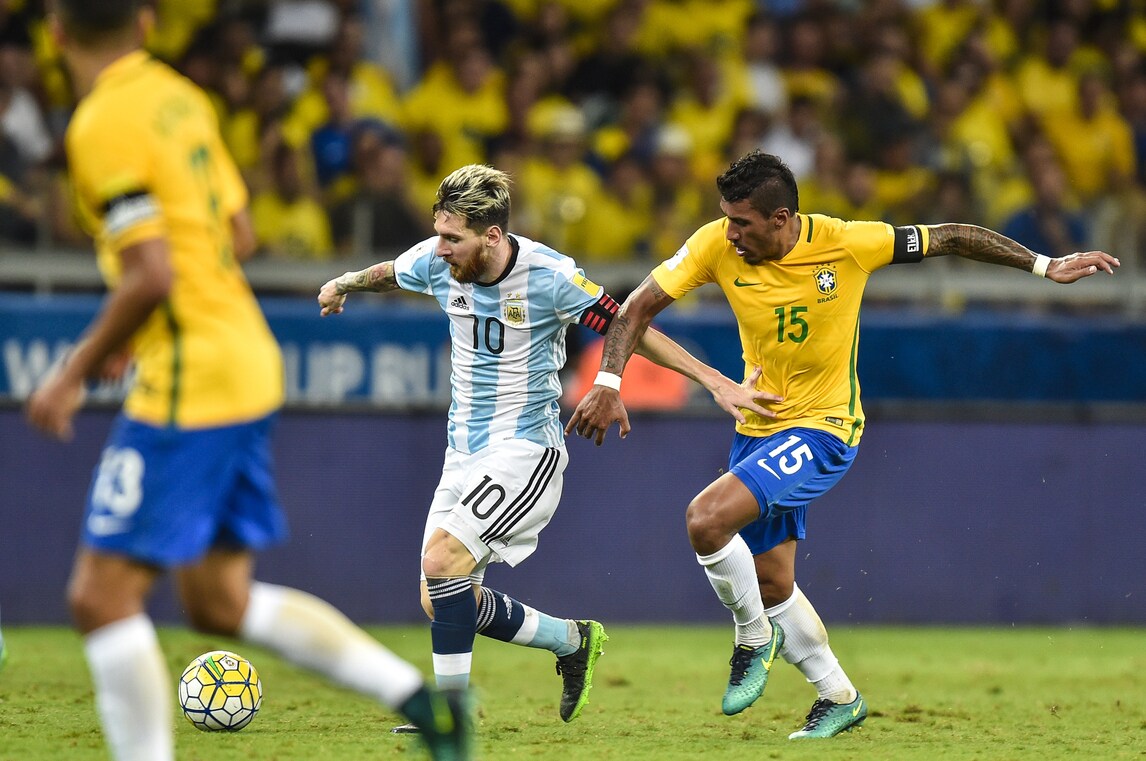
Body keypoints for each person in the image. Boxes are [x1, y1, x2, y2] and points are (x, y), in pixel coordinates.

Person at [23, 3, 469, 759]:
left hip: (191, 373)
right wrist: (145, 320)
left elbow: (150, 274)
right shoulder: (181, 98)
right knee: (218, 600)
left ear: (56, 32)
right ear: (147, 23)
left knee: (101, 597)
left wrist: (73, 373)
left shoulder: (99, 123)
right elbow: (240, 232)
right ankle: (426, 703)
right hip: (244, 355)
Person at [567, 150, 1119, 739]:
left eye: (742, 223)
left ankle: (752, 640)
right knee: (771, 584)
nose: (730, 233)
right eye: (726, 219)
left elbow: (952, 236)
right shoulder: (713, 244)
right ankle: (838, 696)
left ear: (781, 219)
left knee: (705, 520)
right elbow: (636, 309)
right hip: (759, 428)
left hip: (825, 428)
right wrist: (608, 382)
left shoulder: (849, 243)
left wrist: (1044, 265)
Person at [317, 163, 770, 726]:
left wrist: (716, 381)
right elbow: (392, 272)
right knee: (440, 595)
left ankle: (450, 715)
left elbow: (629, 325)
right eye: (438, 234)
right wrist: (345, 283)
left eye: (452, 238)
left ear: (492, 236)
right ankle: (571, 641)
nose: (440, 249)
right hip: (462, 451)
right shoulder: (438, 260)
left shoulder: (549, 276)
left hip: (525, 448)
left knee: (441, 561)